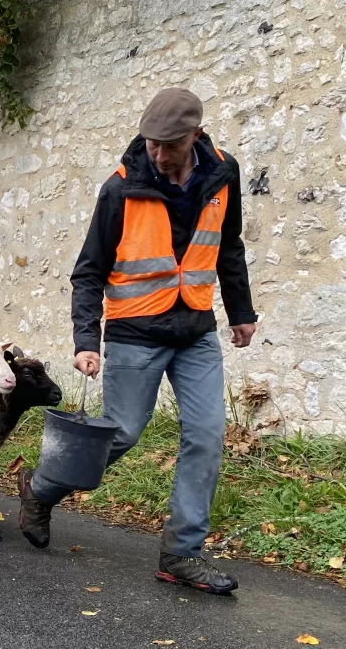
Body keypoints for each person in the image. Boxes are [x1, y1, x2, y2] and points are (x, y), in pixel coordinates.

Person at [17, 89, 257, 596]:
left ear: (196, 135)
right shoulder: (120, 189)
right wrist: (87, 340)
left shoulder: (222, 173)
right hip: (133, 332)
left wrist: (240, 312)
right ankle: (40, 488)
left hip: (194, 330)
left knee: (207, 435)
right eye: (151, 144)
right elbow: (89, 271)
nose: (159, 154)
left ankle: (182, 554)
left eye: (169, 145)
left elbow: (228, 243)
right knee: (120, 434)